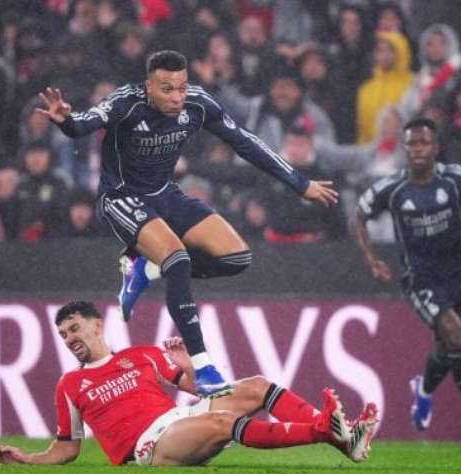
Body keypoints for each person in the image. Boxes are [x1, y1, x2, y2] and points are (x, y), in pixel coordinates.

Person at [35, 50, 338, 397]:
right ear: (148, 86)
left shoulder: (197, 103)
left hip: (164, 194)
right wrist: (65, 121)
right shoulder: (125, 102)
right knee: (177, 259)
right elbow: (84, 123)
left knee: (237, 258)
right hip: (121, 198)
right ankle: (203, 366)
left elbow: (244, 142)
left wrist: (301, 183)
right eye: (167, 89)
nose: (177, 97)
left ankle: (145, 269)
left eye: (181, 87)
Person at [0, 301, 377, 467]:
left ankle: (343, 439)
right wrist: (27, 458)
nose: (70, 337)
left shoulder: (142, 354)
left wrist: (190, 368)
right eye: (63, 334)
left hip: (179, 417)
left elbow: (207, 390)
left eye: (74, 327)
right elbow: (67, 448)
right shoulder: (70, 384)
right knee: (222, 423)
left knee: (256, 386)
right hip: (150, 446)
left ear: (96, 324)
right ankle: (327, 432)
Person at [353, 118, 461, 447]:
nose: (419, 149)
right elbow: (360, 216)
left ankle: (423, 390)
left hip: (460, 273)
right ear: (405, 148)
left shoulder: (456, 179)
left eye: (425, 143)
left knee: (448, 346)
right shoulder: (391, 189)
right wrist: (371, 258)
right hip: (420, 279)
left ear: (435, 148)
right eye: (413, 144)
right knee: (456, 334)